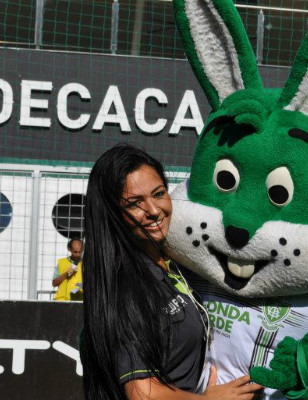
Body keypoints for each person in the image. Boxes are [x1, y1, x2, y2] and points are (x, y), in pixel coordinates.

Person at [79, 144, 262, 400]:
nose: (154, 210)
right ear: (113, 214)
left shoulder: (173, 263)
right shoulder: (126, 287)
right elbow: (143, 393)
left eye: (158, 193)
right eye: (134, 204)